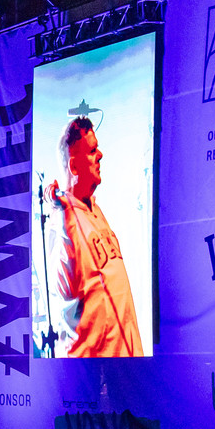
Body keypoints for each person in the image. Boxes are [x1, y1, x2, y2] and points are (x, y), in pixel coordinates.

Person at [43, 115, 144, 357]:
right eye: (92, 151)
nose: (100, 155)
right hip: (96, 369)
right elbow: (64, 290)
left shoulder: (95, 211)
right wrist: (63, 212)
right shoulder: (62, 221)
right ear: (74, 167)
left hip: (127, 363)